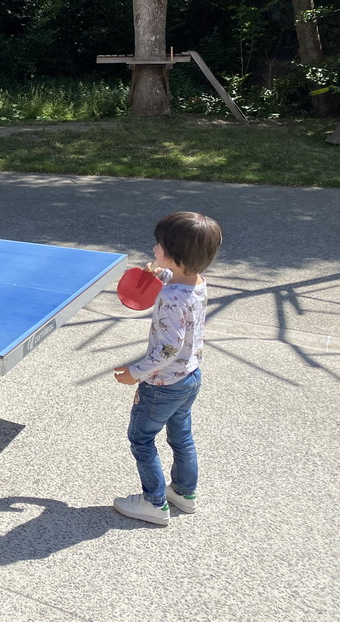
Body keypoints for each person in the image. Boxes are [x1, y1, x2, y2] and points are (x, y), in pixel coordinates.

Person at [112, 211, 223, 526]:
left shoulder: (173, 300)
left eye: (158, 245)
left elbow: (167, 349)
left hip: (162, 385)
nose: (153, 247)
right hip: (190, 377)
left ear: (175, 255)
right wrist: (158, 272)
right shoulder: (196, 281)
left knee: (142, 438)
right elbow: (172, 283)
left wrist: (137, 372)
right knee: (181, 434)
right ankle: (184, 494)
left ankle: (154, 503)